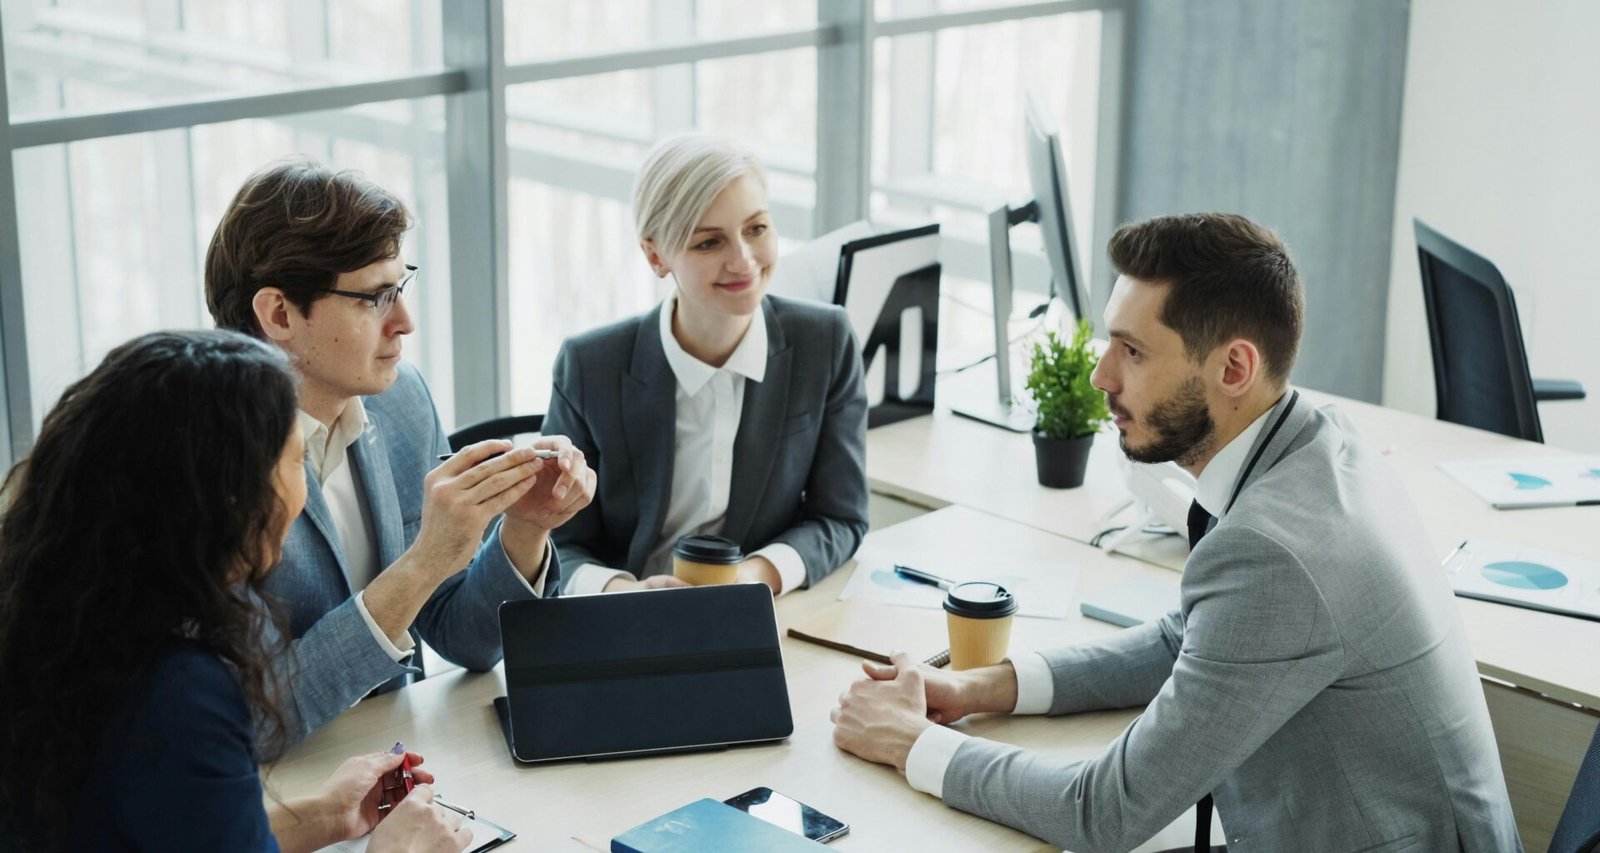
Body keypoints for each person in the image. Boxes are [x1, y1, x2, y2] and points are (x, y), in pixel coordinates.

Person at [831, 213, 1523, 852]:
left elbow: (1101, 812)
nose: (1102, 373)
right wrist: (981, 686)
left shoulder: (1277, 552)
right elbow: (1188, 638)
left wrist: (910, 741)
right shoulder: (1313, 440)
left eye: (1132, 351)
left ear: (1234, 369)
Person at [0, 330, 468, 852]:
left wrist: (321, 816)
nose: (305, 487)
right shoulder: (182, 692)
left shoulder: (75, 627)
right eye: (296, 459)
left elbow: (174, 829)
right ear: (232, 495)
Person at [204, 158, 596, 747]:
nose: (406, 323)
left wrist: (524, 530)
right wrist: (425, 560)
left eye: (401, 288)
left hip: (396, 758)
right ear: (280, 313)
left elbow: (463, 639)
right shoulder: (201, 461)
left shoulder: (399, 400)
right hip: (272, 794)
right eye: (374, 299)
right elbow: (256, 718)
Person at [541, 134, 868, 597]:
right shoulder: (590, 365)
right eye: (709, 242)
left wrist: (755, 578)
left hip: (760, 612)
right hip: (625, 621)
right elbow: (557, 538)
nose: (743, 260)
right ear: (656, 255)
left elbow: (841, 516)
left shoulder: (826, 341)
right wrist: (621, 593)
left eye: (756, 229)